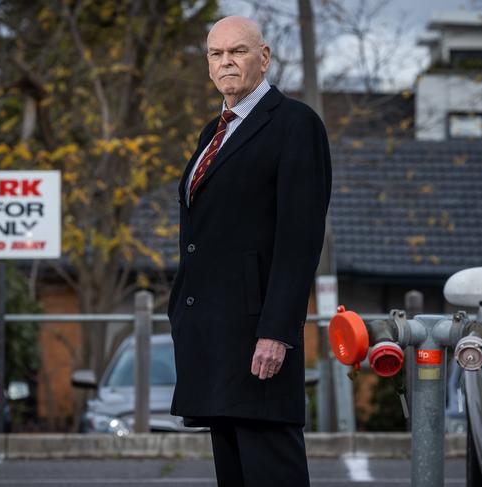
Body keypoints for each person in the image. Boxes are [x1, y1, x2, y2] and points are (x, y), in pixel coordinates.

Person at [167, 15, 332, 487]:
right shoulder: (212, 133)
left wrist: (277, 333)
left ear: (263, 58)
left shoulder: (296, 125)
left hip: (259, 338)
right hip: (212, 335)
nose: (226, 63)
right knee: (234, 475)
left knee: (270, 469)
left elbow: (300, 240)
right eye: (216, 55)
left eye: (237, 52)